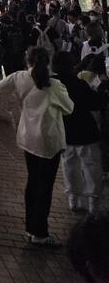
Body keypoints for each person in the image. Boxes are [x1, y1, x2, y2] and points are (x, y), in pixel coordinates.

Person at [0, 46, 75, 247]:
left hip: (27, 137)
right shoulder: (54, 85)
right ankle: (40, 232)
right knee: (45, 186)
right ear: (47, 62)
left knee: (33, 182)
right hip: (49, 140)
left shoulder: (19, 77)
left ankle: (31, 227)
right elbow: (69, 108)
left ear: (27, 60)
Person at [53, 50, 103, 213]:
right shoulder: (79, 84)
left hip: (64, 133)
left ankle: (73, 200)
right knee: (91, 168)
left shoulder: (53, 84)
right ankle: (92, 204)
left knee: (69, 167)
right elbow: (95, 103)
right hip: (86, 132)